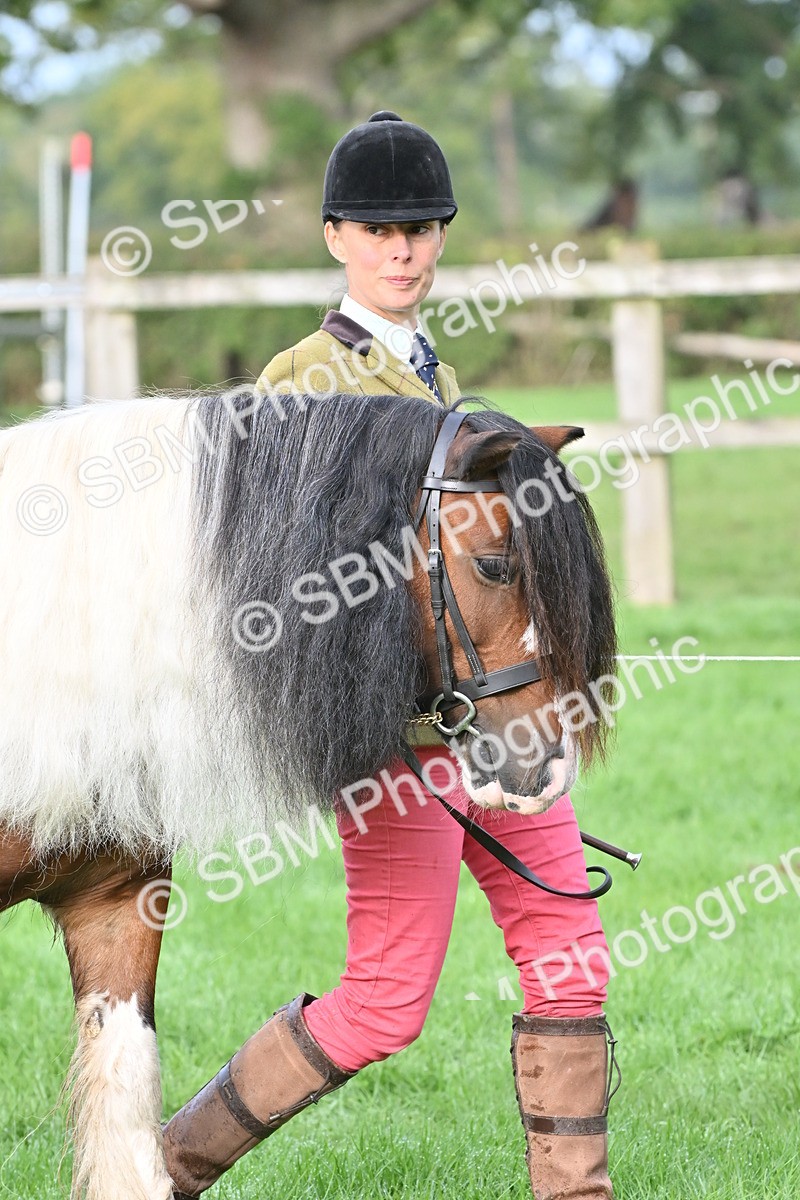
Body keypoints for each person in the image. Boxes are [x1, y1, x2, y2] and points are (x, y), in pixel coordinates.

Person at [164, 112, 618, 1200]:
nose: (401, 251)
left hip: (494, 719)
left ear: (441, 236)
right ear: (336, 238)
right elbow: (274, 586)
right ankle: (165, 1166)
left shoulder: (436, 377)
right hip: (398, 748)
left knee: (572, 961)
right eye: (377, 230)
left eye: (419, 229)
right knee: (382, 1006)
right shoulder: (299, 381)